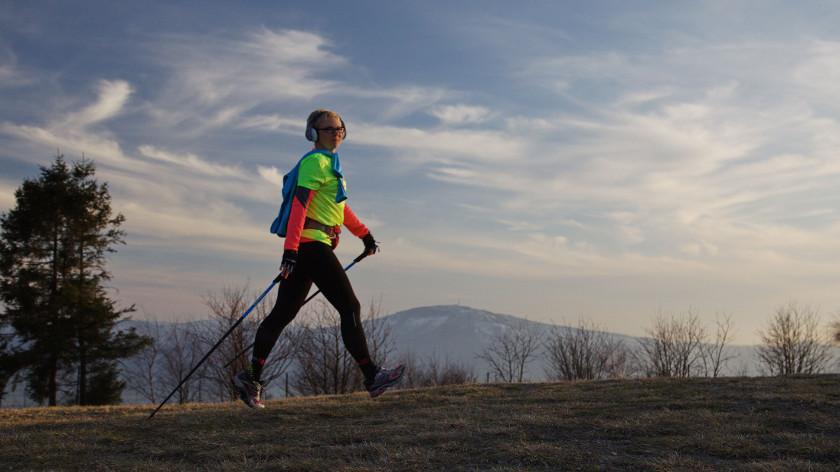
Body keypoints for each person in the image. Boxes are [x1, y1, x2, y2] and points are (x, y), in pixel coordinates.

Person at [232, 109, 405, 409]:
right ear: (313, 133)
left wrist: (364, 236)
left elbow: (340, 210)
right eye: (328, 129)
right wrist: (291, 249)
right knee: (350, 307)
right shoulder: (316, 162)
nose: (336, 133)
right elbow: (300, 204)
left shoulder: (331, 167)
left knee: (282, 315)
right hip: (311, 246)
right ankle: (372, 375)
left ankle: (250, 377)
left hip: (309, 246)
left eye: (339, 129)